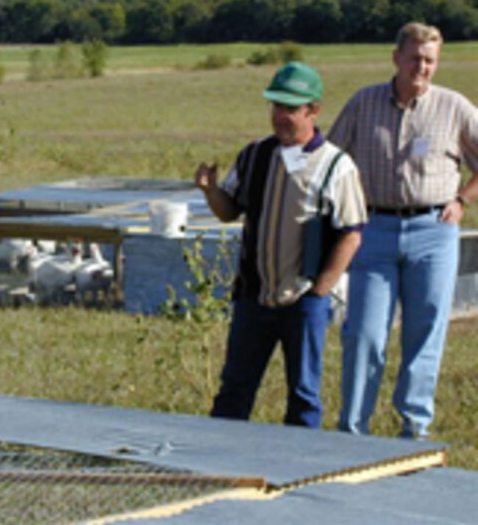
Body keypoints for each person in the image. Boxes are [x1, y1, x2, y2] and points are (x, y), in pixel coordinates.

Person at [196, 62, 367, 428]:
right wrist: (210, 191)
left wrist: (319, 290)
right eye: (275, 106)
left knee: (304, 394)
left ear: (313, 110)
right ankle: (215, 463)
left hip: (303, 298)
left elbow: (351, 233)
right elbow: (229, 211)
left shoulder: (337, 166)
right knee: (234, 389)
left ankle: (298, 473)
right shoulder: (255, 154)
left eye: (290, 108)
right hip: (253, 296)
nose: (280, 116)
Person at [329, 22, 478, 439]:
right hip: (374, 229)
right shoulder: (365, 103)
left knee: (426, 327)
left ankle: (414, 427)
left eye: (430, 60)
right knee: (364, 332)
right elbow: (333, 158)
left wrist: (462, 199)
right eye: (414, 58)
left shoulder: (454, 107)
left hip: (433, 229)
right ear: (396, 58)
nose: (422, 67)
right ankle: (352, 428)